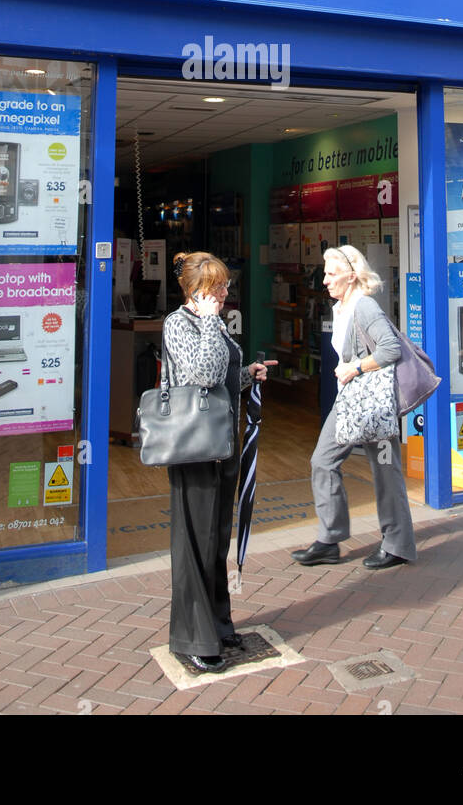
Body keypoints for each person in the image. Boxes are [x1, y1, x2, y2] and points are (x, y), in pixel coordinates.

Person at [163, 251, 273, 674]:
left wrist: (249, 374)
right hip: (195, 449)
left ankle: (218, 623)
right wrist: (211, 322)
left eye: (226, 285)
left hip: (220, 443)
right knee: (194, 541)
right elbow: (201, 376)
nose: (227, 293)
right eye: (219, 287)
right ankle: (192, 637)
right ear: (198, 291)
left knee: (216, 539)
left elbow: (222, 378)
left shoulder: (212, 325)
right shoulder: (180, 323)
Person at [292, 244, 417, 571]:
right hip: (350, 402)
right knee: (322, 460)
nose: (325, 280)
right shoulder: (342, 307)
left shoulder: (365, 307)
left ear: (352, 275)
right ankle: (329, 540)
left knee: (385, 471)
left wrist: (355, 368)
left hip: (372, 404)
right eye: (324, 273)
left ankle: (397, 545)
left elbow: (390, 349)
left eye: (331, 274)